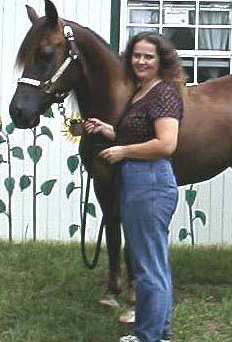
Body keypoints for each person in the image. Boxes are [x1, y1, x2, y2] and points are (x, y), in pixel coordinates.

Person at [84, 32, 184, 342]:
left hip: (151, 182)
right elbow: (138, 134)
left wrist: (123, 152)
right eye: (136, 55)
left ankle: (149, 336)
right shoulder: (141, 93)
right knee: (151, 263)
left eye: (148, 56)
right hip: (139, 182)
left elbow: (166, 144)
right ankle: (158, 333)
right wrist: (109, 130)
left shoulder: (164, 93)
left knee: (149, 267)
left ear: (160, 61)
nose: (140, 61)